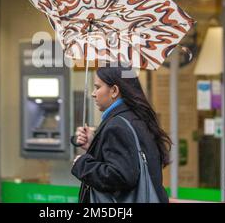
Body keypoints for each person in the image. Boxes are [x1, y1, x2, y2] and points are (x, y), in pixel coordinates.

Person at [71, 66, 171, 203]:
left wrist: (82, 165)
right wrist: (93, 146)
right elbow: (130, 161)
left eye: (97, 87)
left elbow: (121, 175)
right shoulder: (138, 117)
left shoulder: (117, 125)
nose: (93, 93)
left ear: (114, 91)